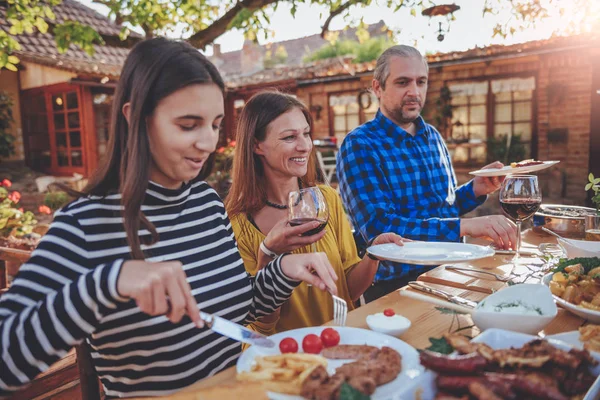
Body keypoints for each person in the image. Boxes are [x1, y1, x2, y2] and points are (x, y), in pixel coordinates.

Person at [0, 38, 339, 398]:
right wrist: (108, 282)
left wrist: (282, 271)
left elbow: (236, 312)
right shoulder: (85, 224)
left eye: (214, 125)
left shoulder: (207, 203)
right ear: (135, 118)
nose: (208, 143)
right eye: (188, 124)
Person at [336, 45, 517, 302]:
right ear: (378, 88)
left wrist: (475, 189)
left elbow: (443, 208)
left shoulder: (432, 136)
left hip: (452, 271)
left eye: (421, 82)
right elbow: (380, 228)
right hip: (398, 286)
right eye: (402, 82)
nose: (414, 91)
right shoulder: (359, 145)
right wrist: (466, 227)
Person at [225, 91, 405, 334]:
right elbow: (261, 322)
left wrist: (373, 254)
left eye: (306, 133)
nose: (305, 146)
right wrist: (268, 254)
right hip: (284, 357)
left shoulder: (327, 199)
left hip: (338, 340)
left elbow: (348, 290)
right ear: (257, 145)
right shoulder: (237, 224)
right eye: (289, 137)